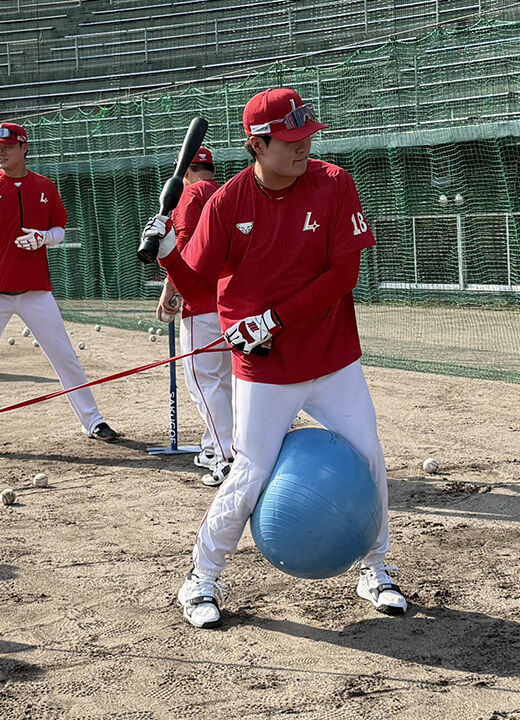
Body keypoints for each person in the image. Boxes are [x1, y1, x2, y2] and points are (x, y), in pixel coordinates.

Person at [142, 88, 404, 628]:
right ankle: (201, 578)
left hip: (331, 356)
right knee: (250, 473)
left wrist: (274, 317)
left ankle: (376, 568)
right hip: (266, 366)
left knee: (370, 457)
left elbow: (344, 275)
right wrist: (169, 255)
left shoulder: (334, 183)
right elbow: (198, 288)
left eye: (307, 135)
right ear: (257, 145)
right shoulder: (228, 202)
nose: (303, 146)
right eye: (290, 140)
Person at [0, 122, 117, 457]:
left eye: (6, 147)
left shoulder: (44, 186)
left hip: (35, 290)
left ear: (24, 148)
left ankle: (93, 421)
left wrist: (43, 238)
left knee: (64, 356)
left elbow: (59, 229)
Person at [155, 146, 234, 487]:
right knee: (225, 381)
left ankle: (227, 456)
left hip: (201, 302)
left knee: (204, 384)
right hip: (233, 302)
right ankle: (214, 446)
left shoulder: (190, 194)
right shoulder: (228, 191)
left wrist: (169, 289)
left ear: (184, 172)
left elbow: (184, 244)